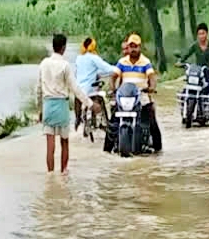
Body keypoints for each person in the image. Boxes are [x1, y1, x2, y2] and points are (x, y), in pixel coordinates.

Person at [37, 34, 96, 175]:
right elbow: (75, 88)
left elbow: (38, 89)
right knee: (64, 143)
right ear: (63, 48)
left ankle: (50, 174)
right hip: (61, 106)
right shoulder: (65, 65)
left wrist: (40, 109)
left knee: (50, 146)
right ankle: (63, 173)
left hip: (48, 105)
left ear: (53, 46)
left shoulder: (44, 64)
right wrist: (90, 103)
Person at [109, 33, 162, 151]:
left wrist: (152, 87)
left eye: (135, 46)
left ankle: (158, 150)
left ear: (139, 47)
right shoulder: (122, 62)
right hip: (125, 96)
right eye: (131, 46)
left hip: (141, 96)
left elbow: (152, 77)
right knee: (112, 121)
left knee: (152, 121)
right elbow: (113, 77)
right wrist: (112, 89)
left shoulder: (145, 62)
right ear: (128, 47)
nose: (133, 49)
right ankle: (107, 149)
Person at [179, 23, 209, 121]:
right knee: (184, 92)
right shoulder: (195, 45)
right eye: (199, 34)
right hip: (196, 74)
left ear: (207, 34)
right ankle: (184, 112)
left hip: (207, 73)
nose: (201, 36)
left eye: (203, 33)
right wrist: (180, 61)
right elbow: (186, 54)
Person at [74, 37, 118, 130]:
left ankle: (77, 119)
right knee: (103, 97)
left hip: (79, 90)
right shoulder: (94, 58)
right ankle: (104, 121)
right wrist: (119, 69)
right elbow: (107, 68)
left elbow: (82, 72)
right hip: (90, 89)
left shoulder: (79, 58)